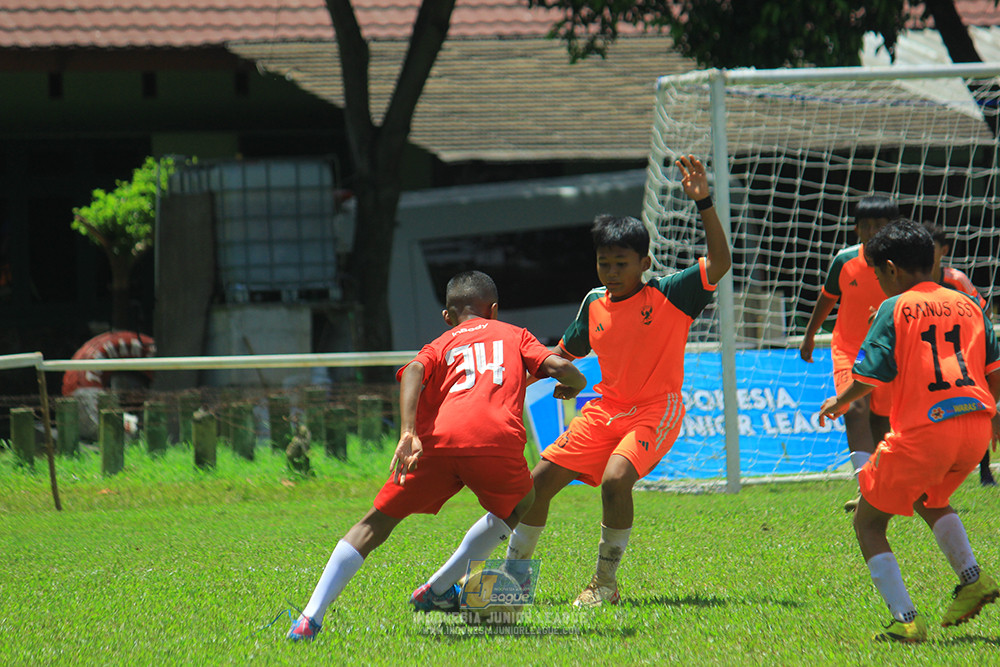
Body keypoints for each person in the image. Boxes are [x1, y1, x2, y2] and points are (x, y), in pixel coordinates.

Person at [286, 270, 587, 640]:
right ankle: (441, 586)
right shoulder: (514, 334)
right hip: (494, 440)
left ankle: (309, 618)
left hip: (438, 441)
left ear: (448, 316)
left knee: (374, 523)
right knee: (520, 502)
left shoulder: (442, 343)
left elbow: (413, 369)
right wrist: (576, 384)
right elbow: (558, 366)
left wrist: (408, 432)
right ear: (494, 309)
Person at [501, 154, 731, 608]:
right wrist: (557, 378)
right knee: (536, 484)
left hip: (654, 410)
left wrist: (704, 201)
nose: (611, 271)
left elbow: (721, 261)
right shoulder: (594, 302)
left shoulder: (671, 293)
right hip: (604, 410)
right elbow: (563, 355)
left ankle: (604, 583)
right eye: (604, 263)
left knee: (614, 481)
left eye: (621, 263)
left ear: (644, 261)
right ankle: (514, 579)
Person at [818, 219, 1000, 643]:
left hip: (927, 432)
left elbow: (870, 375)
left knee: (867, 523)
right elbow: (994, 372)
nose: (879, 283)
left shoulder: (893, 307)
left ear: (892, 269)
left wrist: (840, 400)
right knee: (927, 496)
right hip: (974, 430)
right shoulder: (969, 304)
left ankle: (906, 620)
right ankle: (972, 578)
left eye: (879, 275)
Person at [800, 196, 899, 511]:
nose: (872, 232)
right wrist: (810, 334)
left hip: (888, 352)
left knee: (882, 423)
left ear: (892, 229)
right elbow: (827, 299)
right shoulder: (844, 261)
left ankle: (881, 487)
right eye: (866, 226)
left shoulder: (902, 265)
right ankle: (866, 489)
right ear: (856, 229)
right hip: (848, 350)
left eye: (879, 227)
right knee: (854, 409)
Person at [921, 221, 996, 487]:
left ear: (945, 250)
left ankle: (985, 471)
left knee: (974, 406)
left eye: (934, 247)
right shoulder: (914, 281)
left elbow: (983, 312)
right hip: (928, 356)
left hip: (961, 355)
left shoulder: (956, 279)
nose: (928, 252)